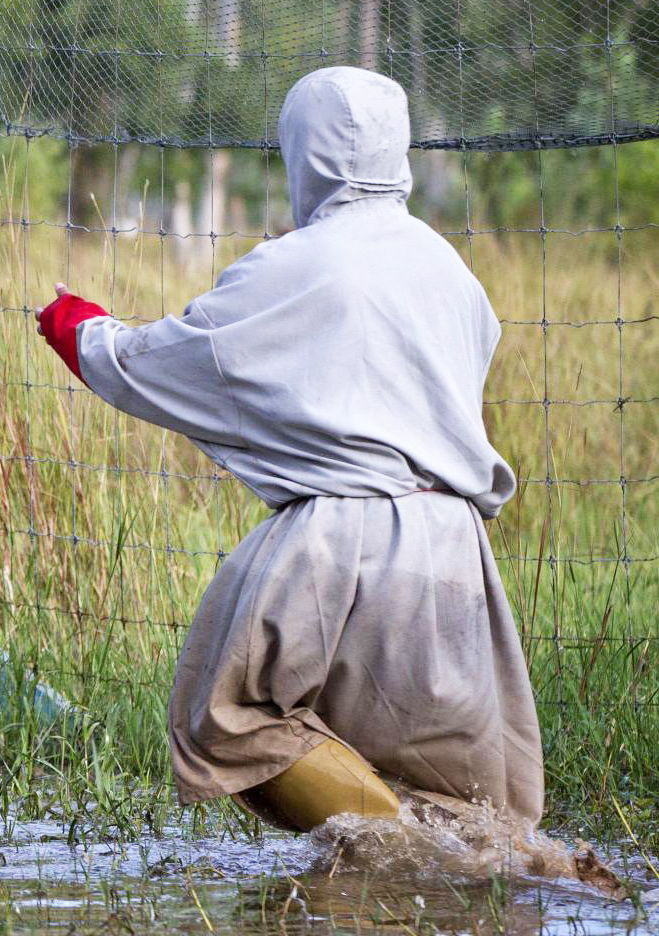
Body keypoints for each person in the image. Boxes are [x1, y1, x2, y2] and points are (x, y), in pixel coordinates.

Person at [35, 66, 542, 831]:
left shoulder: (295, 264)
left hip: (343, 538)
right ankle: (454, 877)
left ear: (300, 151)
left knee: (230, 717)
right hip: (453, 544)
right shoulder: (448, 270)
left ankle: (403, 852)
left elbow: (173, 359)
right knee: (457, 788)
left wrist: (83, 333)